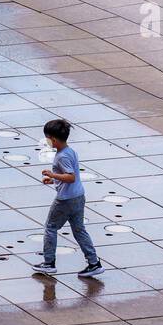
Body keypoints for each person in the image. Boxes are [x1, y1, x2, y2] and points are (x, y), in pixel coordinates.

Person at [34, 118, 103, 278]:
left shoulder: (61, 157)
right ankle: (94, 263)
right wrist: (53, 180)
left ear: (54, 139)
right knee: (79, 230)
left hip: (65, 200)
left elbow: (70, 177)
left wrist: (52, 174)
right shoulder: (70, 151)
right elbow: (71, 175)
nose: (46, 142)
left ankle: (49, 263)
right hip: (78, 196)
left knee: (51, 227)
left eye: (47, 138)